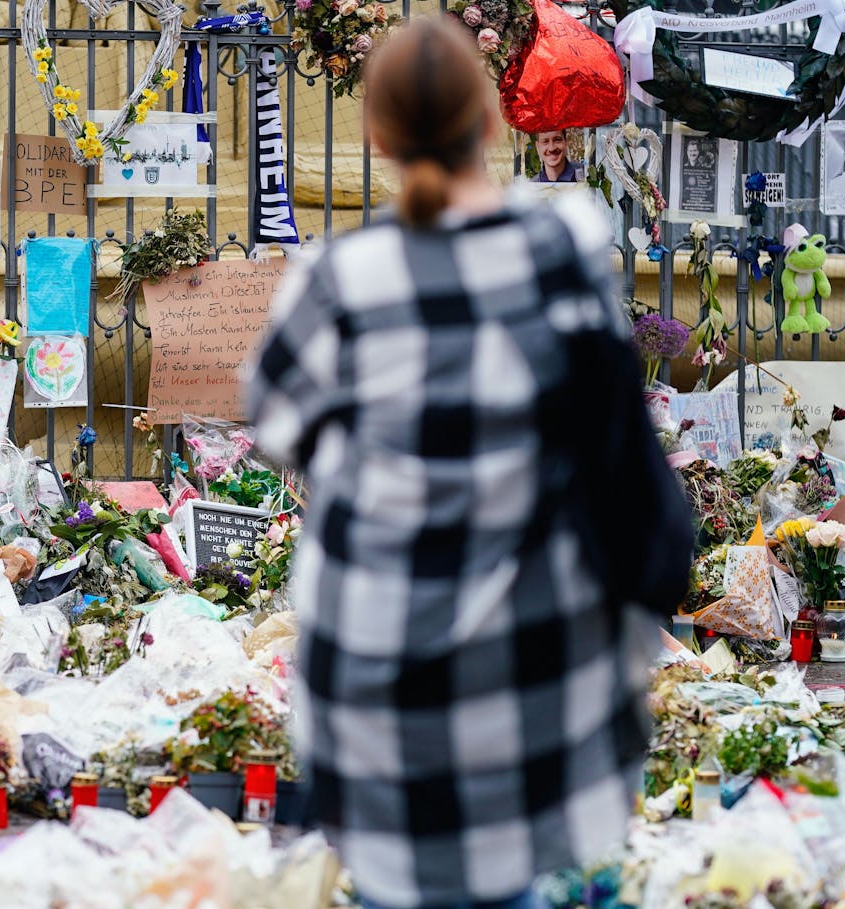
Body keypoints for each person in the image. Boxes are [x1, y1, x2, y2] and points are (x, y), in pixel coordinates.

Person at [245, 17, 693, 909]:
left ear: (376, 138)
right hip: (530, 679)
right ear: (491, 123)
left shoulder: (336, 281)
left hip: (374, 688)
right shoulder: (559, 253)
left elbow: (279, 424)